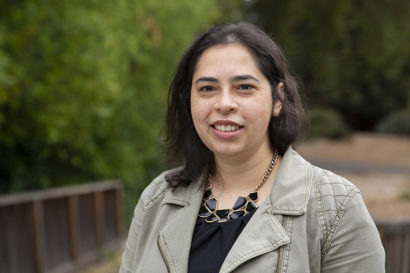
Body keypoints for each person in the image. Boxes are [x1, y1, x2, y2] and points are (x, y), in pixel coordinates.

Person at [119, 23, 385, 273]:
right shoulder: (158, 199)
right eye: (207, 88)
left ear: (277, 98)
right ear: (189, 99)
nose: (224, 103)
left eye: (244, 87)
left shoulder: (336, 207)